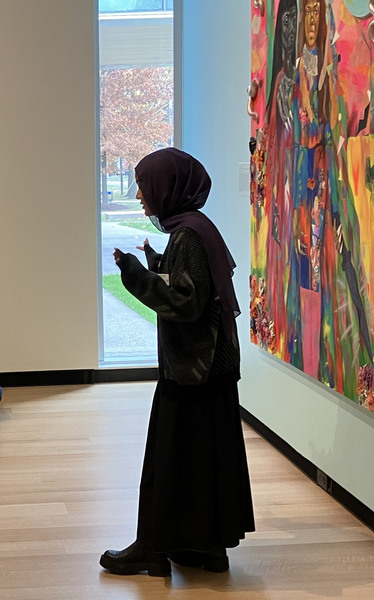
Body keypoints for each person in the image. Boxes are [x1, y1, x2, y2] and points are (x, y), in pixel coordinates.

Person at [100, 148, 254, 576]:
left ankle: (154, 547)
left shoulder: (188, 235)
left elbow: (186, 304)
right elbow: (197, 289)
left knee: (169, 461)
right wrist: (156, 262)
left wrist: (135, 273)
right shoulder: (196, 229)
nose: (139, 196)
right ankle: (204, 547)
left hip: (192, 373)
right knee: (202, 461)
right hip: (211, 373)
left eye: (145, 187)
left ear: (169, 187)